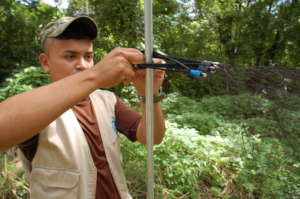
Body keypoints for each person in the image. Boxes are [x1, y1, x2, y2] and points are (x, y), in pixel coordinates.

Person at [0, 16, 165, 199]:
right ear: (45, 62)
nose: (83, 65)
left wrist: (149, 95)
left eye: (88, 56)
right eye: (70, 56)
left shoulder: (107, 100)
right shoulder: (38, 107)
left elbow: (152, 137)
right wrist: (96, 75)